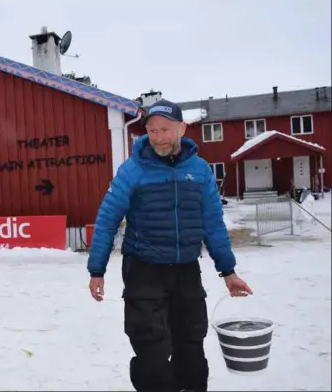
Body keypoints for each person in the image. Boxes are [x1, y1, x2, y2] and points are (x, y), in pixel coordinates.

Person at [87, 99, 253, 392]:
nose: (159, 137)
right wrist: (96, 269)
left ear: (182, 129)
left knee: (191, 348)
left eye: (165, 130)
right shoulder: (133, 170)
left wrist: (228, 271)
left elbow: (212, 223)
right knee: (151, 351)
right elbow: (107, 219)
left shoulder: (200, 171)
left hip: (186, 268)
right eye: (152, 131)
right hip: (144, 269)